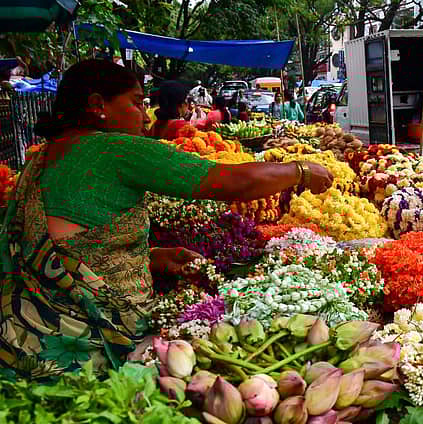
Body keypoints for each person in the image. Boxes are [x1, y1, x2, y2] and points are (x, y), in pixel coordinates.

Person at [0, 59, 334, 379]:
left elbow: (72, 243)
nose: (146, 116)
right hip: (90, 344)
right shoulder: (116, 149)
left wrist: (152, 259)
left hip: (22, 336)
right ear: (98, 104)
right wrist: (300, 170)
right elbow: (233, 182)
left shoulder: (42, 157)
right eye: (136, 103)